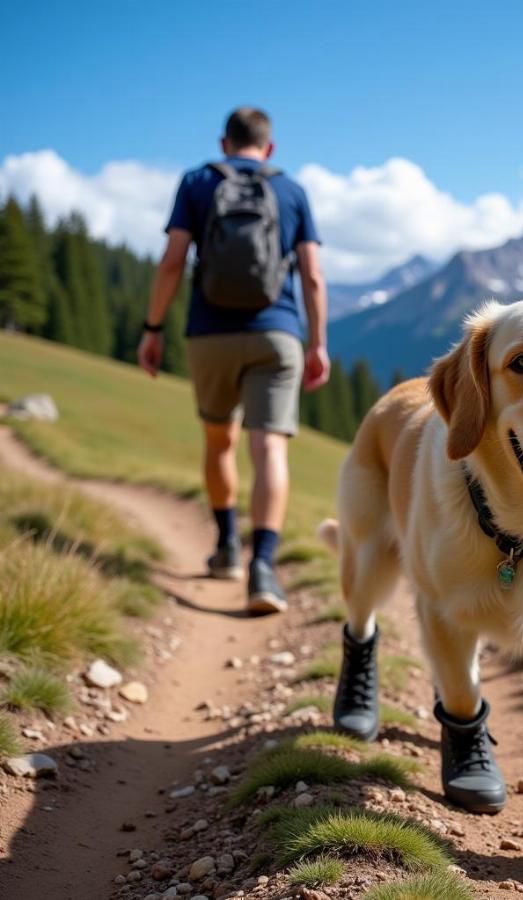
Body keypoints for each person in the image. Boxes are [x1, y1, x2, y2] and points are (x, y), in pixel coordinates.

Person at [138, 106, 329, 613]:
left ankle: (226, 547)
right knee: (269, 450)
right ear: (269, 148)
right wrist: (317, 344)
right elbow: (312, 276)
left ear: (224, 143)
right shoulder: (291, 190)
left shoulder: (197, 182)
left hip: (209, 335)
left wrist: (153, 328)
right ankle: (263, 567)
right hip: (278, 334)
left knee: (219, 440)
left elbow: (173, 260)